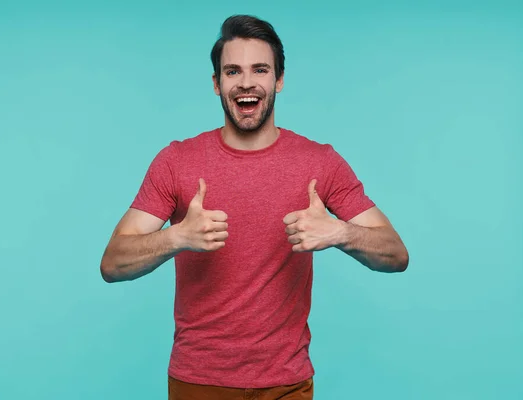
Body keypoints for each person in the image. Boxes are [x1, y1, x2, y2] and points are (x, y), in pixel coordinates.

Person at [100, 14, 409, 400]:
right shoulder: (177, 161)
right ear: (217, 84)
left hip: (287, 383)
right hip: (198, 382)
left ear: (279, 79)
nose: (246, 82)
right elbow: (112, 263)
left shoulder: (320, 162)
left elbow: (396, 254)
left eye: (260, 69)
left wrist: (339, 232)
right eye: (233, 71)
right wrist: (176, 236)